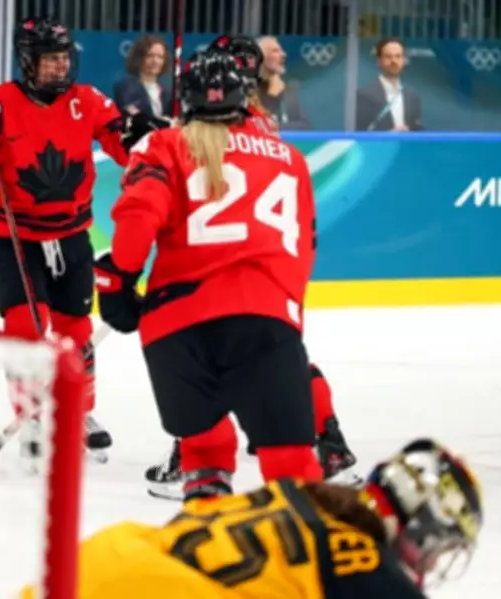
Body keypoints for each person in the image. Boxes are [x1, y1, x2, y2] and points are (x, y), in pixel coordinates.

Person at [94, 50, 323, 500]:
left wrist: (117, 282)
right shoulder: (290, 158)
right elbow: (304, 246)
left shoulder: (164, 145)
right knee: (291, 463)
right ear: (246, 99)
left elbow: (138, 218)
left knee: (204, 446)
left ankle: (209, 544)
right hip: (263, 319)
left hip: (174, 330)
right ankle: (305, 552)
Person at [142, 36, 359, 501]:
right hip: (269, 271)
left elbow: (192, 172)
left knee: (219, 359)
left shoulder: (243, 127)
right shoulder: (259, 122)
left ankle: (203, 453)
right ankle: (330, 446)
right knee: (283, 356)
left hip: (223, 265)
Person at [0, 17, 166, 463]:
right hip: (12, 238)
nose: (59, 68)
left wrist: (142, 135)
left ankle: (78, 412)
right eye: (50, 60)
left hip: (70, 236)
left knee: (75, 331)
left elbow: (123, 146)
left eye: (64, 59)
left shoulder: (87, 100)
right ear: (28, 62)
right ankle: (28, 416)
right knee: (27, 328)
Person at [17, 438, 483, 598]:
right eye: (436, 545)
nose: (428, 561)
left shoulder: (301, 496)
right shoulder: (362, 563)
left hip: (85, 567)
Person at [356, 37, 423, 132]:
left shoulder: (412, 96)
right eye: (388, 56)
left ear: (404, 60)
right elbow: (359, 134)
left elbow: (417, 130)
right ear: (379, 61)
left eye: (398, 56)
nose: (394, 61)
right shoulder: (364, 96)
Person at [256, 36, 311, 130]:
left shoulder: (288, 90)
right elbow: (252, 124)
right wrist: (272, 94)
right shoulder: (249, 90)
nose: (283, 54)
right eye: (275, 51)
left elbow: (305, 126)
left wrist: (278, 126)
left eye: (281, 51)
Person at [112, 34, 173, 118]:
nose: (155, 61)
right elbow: (136, 118)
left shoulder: (168, 93)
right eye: (150, 55)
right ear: (139, 58)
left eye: (160, 57)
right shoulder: (125, 87)